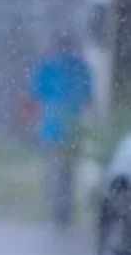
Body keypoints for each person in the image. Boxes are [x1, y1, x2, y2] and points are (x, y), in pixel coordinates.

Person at [28, 33, 93, 230]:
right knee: (68, 172)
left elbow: (34, 96)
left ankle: (56, 209)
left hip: (51, 128)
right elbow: (89, 98)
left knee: (54, 170)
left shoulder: (48, 67)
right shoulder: (80, 68)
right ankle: (65, 210)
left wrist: (32, 122)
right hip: (73, 128)